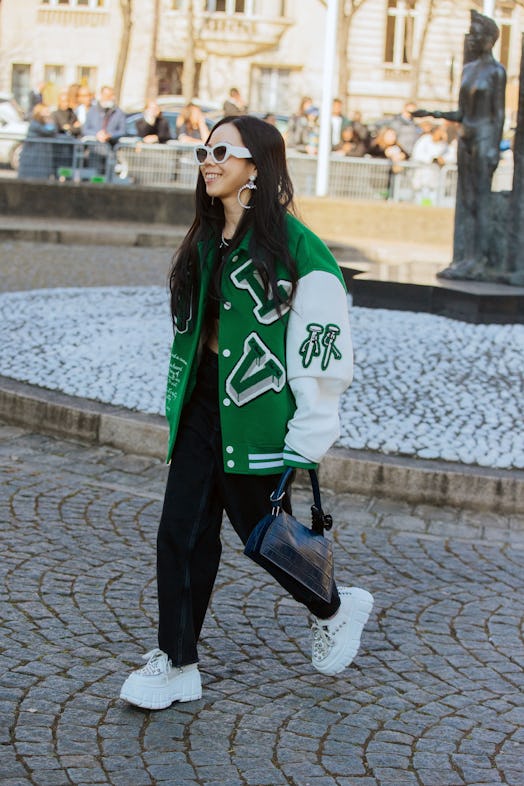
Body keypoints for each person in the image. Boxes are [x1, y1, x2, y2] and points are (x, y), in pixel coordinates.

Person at [119, 115, 374, 710]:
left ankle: (335, 607)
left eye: (222, 152)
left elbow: (322, 345)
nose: (208, 161)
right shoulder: (206, 238)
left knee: (265, 537)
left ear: (256, 166)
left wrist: (311, 431)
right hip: (203, 404)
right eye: (204, 151)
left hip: (259, 415)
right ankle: (177, 661)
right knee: (180, 532)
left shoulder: (298, 250)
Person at [413, 10, 506, 279]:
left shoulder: (496, 72)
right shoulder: (468, 69)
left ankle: (480, 259)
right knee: (466, 201)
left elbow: (497, 113)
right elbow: (462, 112)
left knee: (480, 201)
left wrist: (494, 147)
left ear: (490, 39)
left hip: (485, 138)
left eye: (477, 35)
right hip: (467, 139)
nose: (472, 39)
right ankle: (465, 257)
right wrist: (432, 113)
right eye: (472, 34)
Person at [18, 103, 57, 180]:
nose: (48, 114)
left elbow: (53, 130)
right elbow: (48, 131)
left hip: (41, 155)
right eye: (46, 111)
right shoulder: (35, 124)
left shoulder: (43, 123)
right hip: (33, 155)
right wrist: (50, 122)